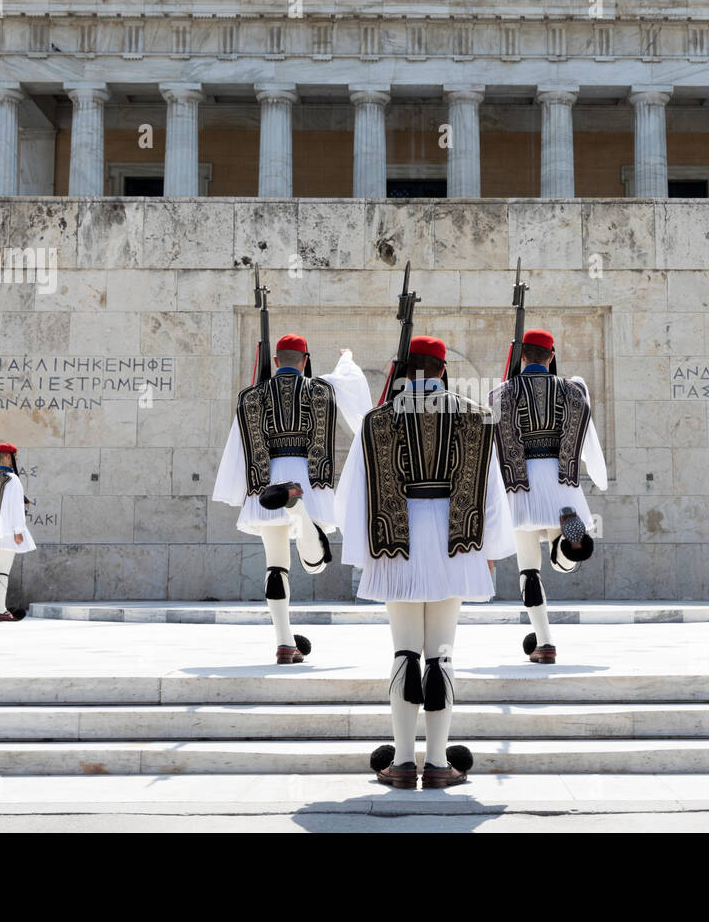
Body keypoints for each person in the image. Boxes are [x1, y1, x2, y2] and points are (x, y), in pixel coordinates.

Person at [337, 336, 515, 789]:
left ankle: (400, 761)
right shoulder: (476, 416)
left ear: (404, 367)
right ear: (442, 370)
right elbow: (491, 493)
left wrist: (362, 553)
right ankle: (437, 763)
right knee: (442, 651)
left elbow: (352, 495)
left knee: (403, 650)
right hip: (457, 540)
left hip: (395, 540)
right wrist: (490, 551)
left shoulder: (375, 421)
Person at [213, 336, 371, 664]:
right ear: (304, 360)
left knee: (275, 566)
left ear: (275, 358)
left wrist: (239, 487)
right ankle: (298, 510)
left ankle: (285, 643)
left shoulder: (252, 395)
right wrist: (346, 357)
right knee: (316, 564)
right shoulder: (320, 388)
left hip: (268, 484)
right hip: (307, 476)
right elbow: (351, 384)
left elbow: (238, 443)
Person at [490, 328, 607, 663]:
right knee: (563, 565)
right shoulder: (573, 390)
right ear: (551, 357)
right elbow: (589, 442)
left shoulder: (501, 393)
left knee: (529, 571)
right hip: (562, 485)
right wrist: (598, 476)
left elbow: (494, 450)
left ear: (521, 357)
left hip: (520, 487)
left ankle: (545, 642)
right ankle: (568, 547)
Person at [0, 442, 35, 622]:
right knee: (2, 571)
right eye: (15, 456)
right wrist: (19, 531)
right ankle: (1, 610)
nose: (17, 459)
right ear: (8, 457)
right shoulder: (13, 480)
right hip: (7, 531)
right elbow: (16, 509)